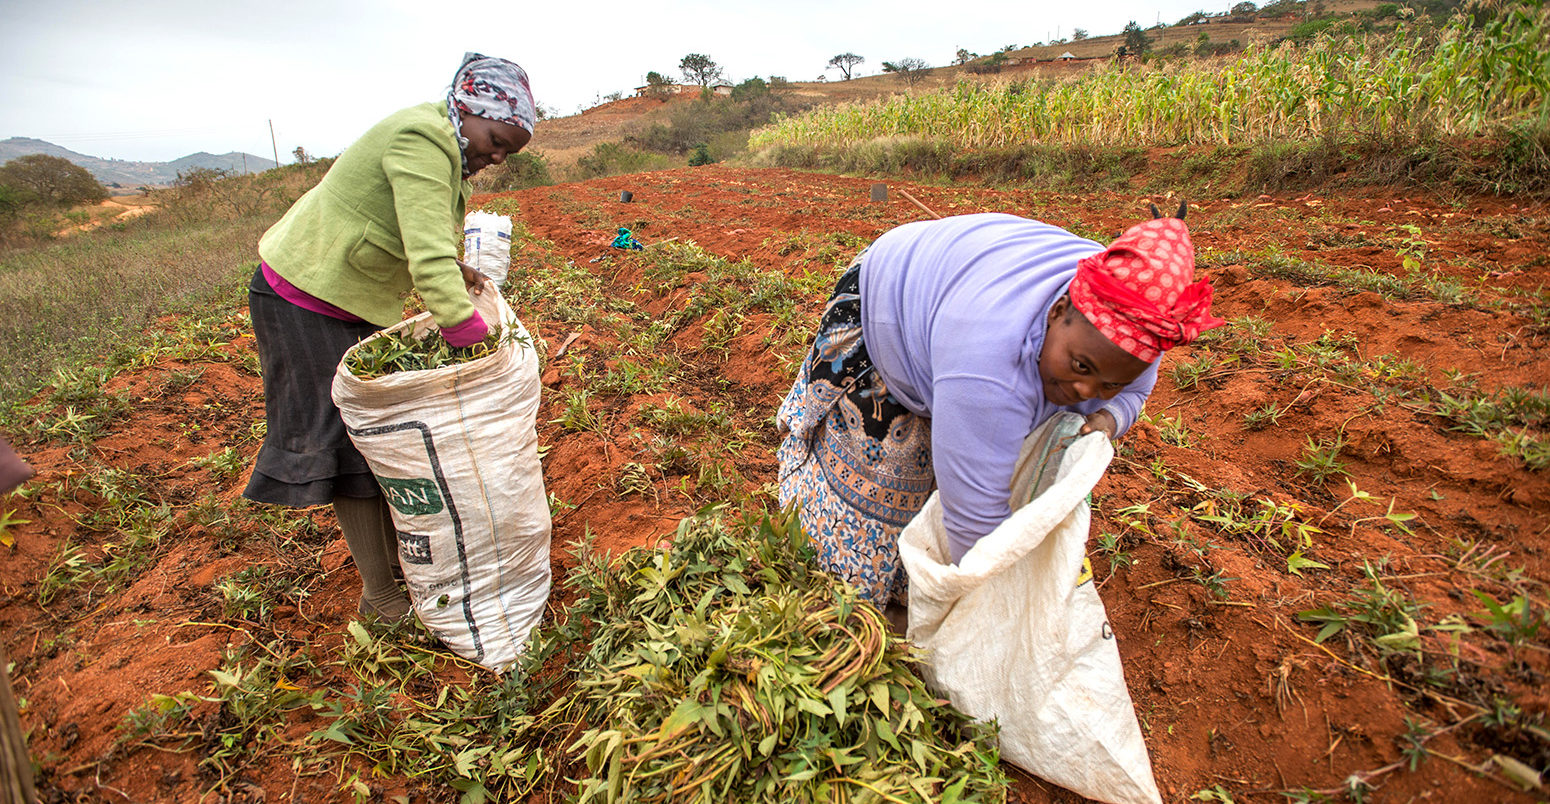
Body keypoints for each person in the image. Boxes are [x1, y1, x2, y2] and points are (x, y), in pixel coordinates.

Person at [776, 205, 1223, 609]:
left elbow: (1136, 390)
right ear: (1057, 311)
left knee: (964, 448)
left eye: (1107, 382)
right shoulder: (989, 363)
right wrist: (1000, 609)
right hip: (889, 298)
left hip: (961, 304)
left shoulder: (1137, 331)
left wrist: (1107, 418)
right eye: (1080, 365)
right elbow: (977, 520)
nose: (1083, 389)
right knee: (857, 550)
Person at [243, 53, 535, 620]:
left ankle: (397, 573)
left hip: (352, 295)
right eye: (496, 139)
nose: (496, 156)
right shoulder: (422, 138)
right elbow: (423, 257)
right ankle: (379, 599)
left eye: (507, 152)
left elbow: (416, 230)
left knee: (377, 441)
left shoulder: (445, 144)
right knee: (352, 447)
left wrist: (457, 270)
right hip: (304, 295)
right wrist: (472, 340)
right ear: (469, 109)